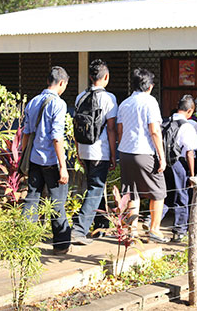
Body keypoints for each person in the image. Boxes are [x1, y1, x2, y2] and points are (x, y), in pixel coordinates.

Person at [21, 66, 71, 255]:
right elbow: (57, 137)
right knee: (57, 203)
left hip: (34, 160)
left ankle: (23, 241)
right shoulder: (58, 104)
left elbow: (26, 133)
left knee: (31, 200)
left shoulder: (33, 101)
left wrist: (24, 156)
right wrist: (63, 167)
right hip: (51, 161)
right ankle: (61, 245)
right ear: (61, 83)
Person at [117, 68, 169, 243]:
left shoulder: (124, 103)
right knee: (159, 192)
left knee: (132, 193)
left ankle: (131, 232)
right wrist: (162, 156)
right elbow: (154, 130)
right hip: (144, 152)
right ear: (150, 86)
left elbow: (120, 130)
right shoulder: (150, 101)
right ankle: (154, 229)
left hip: (125, 152)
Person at [71, 60, 118, 246]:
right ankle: (79, 229)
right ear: (105, 77)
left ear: (90, 77)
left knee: (94, 188)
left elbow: (76, 127)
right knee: (96, 189)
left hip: (84, 149)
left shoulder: (80, 97)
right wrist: (114, 155)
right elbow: (112, 129)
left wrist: (77, 151)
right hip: (100, 150)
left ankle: (101, 225)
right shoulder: (109, 99)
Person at [161, 95, 197, 243]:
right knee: (182, 196)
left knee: (164, 194)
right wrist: (192, 173)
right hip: (178, 163)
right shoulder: (187, 126)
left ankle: (150, 220)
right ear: (190, 111)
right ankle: (179, 230)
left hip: (163, 162)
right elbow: (190, 152)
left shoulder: (165, 122)